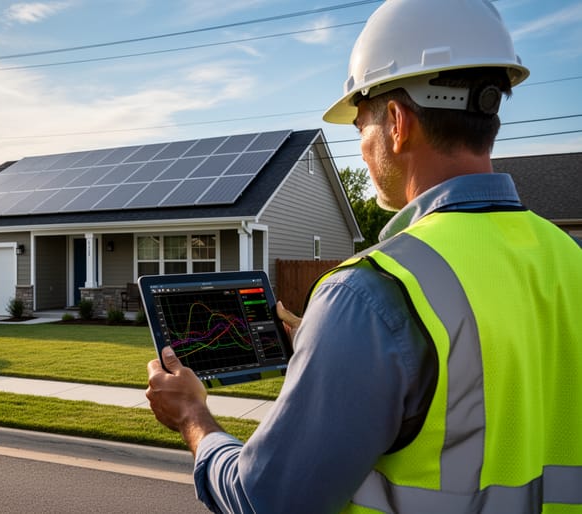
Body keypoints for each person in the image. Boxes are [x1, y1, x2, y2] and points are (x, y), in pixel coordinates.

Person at [145, 0, 582, 512]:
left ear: (396, 122)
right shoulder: (566, 257)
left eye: (359, 127)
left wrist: (192, 416)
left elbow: (264, 500)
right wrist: (330, 343)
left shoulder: (369, 293)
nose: (361, 147)